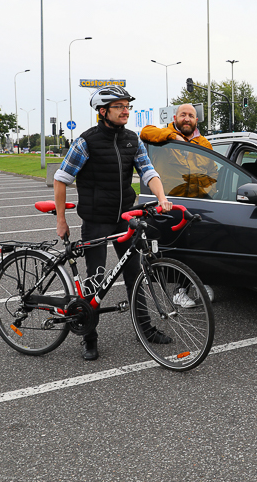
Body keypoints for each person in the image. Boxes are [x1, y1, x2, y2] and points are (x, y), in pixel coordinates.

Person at [53, 85, 174, 361]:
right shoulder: (86, 142)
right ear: (103, 111)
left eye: (127, 106)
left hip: (123, 218)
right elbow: (61, 178)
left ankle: (145, 328)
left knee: (134, 274)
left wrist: (162, 196)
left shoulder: (132, 139)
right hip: (95, 221)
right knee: (95, 280)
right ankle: (88, 337)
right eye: (119, 106)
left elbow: (148, 171)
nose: (125, 111)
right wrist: (61, 219)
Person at [140, 103, 217, 307]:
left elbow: (213, 172)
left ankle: (201, 283)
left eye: (190, 115)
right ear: (175, 118)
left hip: (198, 203)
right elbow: (145, 131)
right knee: (177, 249)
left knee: (200, 247)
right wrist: (171, 137)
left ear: (196, 120)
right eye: (183, 115)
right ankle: (179, 291)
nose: (187, 119)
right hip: (170, 204)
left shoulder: (203, 143)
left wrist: (209, 193)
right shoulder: (163, 137)